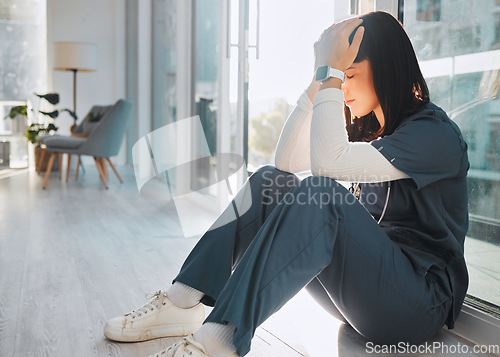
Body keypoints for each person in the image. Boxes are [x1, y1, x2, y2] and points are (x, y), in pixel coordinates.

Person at [104, 11, 469, 357]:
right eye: (341, 77)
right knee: (269, 182)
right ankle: (183, 301)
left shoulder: (433, 135)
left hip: (417, 305)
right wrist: (320, 77)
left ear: (387, 69)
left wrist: (331, 73)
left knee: (321, 194)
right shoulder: (372, 127)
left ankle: (218, 339)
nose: (342, 88)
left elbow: (326, 166)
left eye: (350, 75)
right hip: (364, 294)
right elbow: (286, 162)